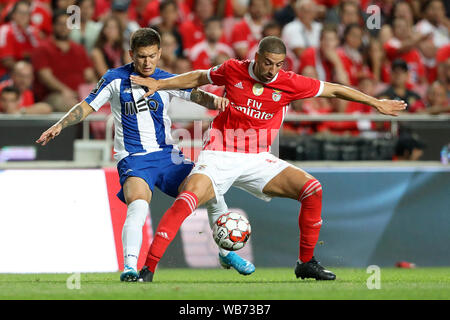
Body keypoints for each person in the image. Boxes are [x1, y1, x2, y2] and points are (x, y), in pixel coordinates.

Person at [130, 36, 406, 282]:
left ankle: (306, 263)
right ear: (257, 57)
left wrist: (375, 103)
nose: (272, 70)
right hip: (220, 152)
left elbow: (333, 89)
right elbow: (199, 77)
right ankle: (148, 270)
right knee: (187, 199)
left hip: (258, 158)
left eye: (278, 64)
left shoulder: (289, 83)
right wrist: (161, 83)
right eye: (268, 63)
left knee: (312, 189)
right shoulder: (233, 69)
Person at [36, 28, 254, 282]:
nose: (147, 62)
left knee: (212, 191)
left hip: (169, 157)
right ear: (131, 54)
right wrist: (60, 124)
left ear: (160, 53)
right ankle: (129, 267)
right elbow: (87, 105)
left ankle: (225, 253)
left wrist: (216, 102)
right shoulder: (115, 79)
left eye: (151, 56)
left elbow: (194, 93)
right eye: (141, 56)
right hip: (135, 159)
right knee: (138, 206)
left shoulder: (164, 80)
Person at [31, 9, 97, 112]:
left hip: (80, 95)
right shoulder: (42, 48)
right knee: (72, 105)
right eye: (60, 24)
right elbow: (45, 77)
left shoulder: (79, 49)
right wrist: (65, 91)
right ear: (53, 26)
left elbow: (89, 75)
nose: (64, 28)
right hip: (54, 95)